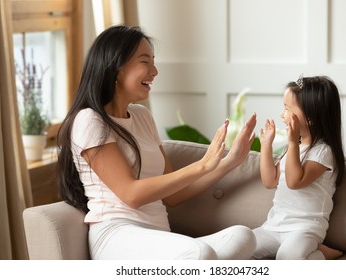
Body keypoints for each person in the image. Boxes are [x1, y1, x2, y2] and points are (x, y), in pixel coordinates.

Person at [56, 25, 257, 260]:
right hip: (117, 235)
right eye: (145, 62)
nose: (155, 71)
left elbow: (173, 196)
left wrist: (229, 161)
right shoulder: (89, 120)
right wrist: (202, 164)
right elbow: (130, 193)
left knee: (244, 236)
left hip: (159, 236)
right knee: (201, 253)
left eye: (154, 61)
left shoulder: (142, 116)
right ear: (116, 68)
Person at [252, 75, 345, 260]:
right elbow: (270, 181)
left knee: (287, 257)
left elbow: (295, 181)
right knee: (244, 248)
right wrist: (266, 146)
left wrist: (293, 142)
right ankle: (317, 250)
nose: (282, 115)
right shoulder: (294, 149)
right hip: (274, 225)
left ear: (310, 119)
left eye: (287, 109)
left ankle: (319, 253)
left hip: (304, 229)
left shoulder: (323, 152)